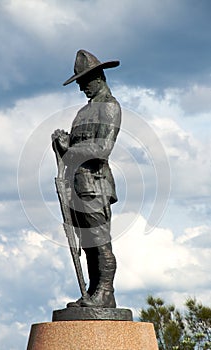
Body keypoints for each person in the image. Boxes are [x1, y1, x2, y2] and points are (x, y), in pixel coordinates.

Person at [52, 49, 121, 308]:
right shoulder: (82, 113)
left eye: (84, 82)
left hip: (96, 184)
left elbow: (102, 149)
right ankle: (93, 293)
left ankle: (106, 293)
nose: (82, 88)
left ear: (99, 77)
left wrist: (69, 150)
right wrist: (61, 143)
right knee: (88, 243)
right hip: (77, 185)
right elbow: (73, 149)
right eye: (79, 83)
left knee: (100, 241)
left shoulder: (110, 107)